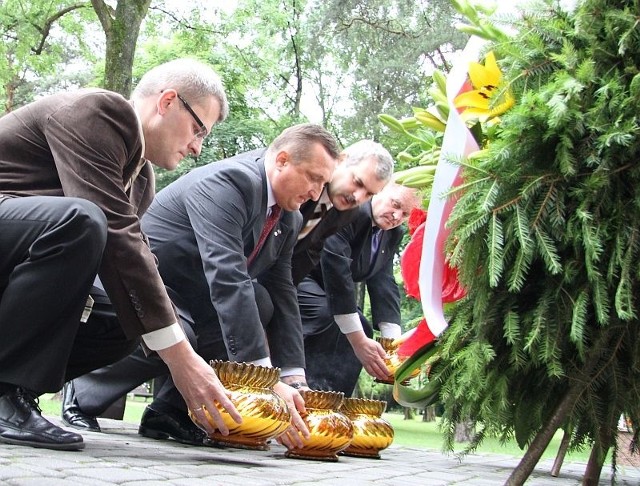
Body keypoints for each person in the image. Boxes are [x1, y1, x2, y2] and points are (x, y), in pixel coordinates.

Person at [0, 58, 245, 451]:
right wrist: (181, 359)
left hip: (17, 255)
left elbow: (128, 264)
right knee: (83, 219)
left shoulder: (140, 180)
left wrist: (172, 340)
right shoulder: (99, 111)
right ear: (168, 102)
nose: (198, 147)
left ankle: (17, 393)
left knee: (122, 319)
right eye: (199, 129)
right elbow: (116, 236)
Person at [61, 124, 340, 447]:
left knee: (261, 300)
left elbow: (284, 292)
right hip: (145, 283)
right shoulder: (231, 182)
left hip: (196, 296)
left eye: (324, 183)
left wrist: (294, 376)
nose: (317, 193)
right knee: (181, 329)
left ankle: (169, 412)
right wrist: (262, 379)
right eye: (313, 178)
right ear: (281, 160)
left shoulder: (288, 219)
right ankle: (82, 390)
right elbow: (227, 275)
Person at [298, 182, 421, 395]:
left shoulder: (393, 234)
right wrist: (357, 340)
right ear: (381, 189)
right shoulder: (349, 213)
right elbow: (337, 269)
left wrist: (393, 344)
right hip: (300, 276)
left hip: (329, 289)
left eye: (405, 214)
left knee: (361, 327)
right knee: (329, 318)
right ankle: (303, 385)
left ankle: (332, 399)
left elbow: (383, 280)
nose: (396, 216)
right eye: (395, 205)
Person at [292, 140, 394, 285]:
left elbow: (305, 257)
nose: (358, 197)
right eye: (358, 182)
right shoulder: (300, 179)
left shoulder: (348, 213)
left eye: (369, 194)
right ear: (340, 160)